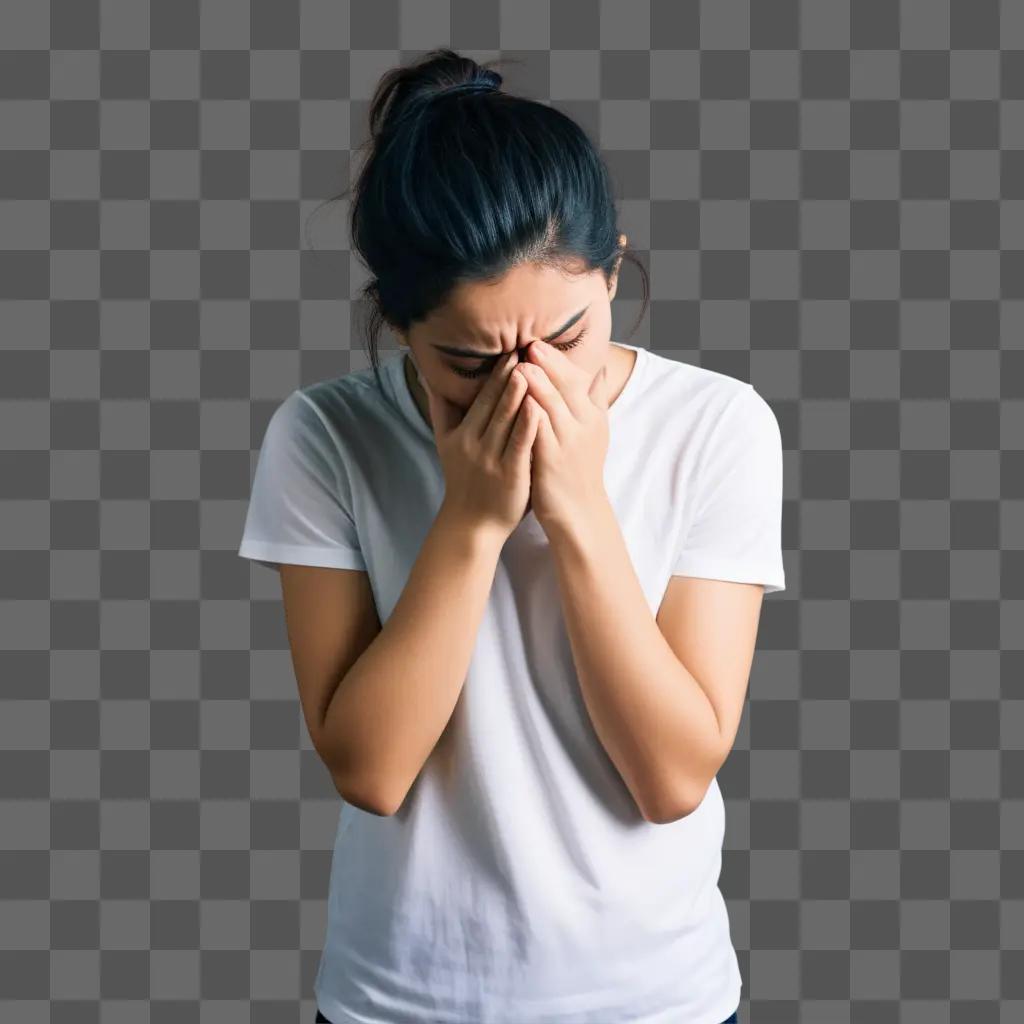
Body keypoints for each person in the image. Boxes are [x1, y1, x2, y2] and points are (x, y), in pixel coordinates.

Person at [238, 47, 783, 1024]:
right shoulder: (325, 436)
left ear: (614, 267)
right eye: (466, 362)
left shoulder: (716, 425)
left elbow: (670, 777)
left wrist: (576, 509)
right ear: (398, 326)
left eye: (565, 339)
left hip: (657, 1001)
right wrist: (473, 516)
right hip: (398, 1000)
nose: (526, 388)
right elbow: (369, 769)